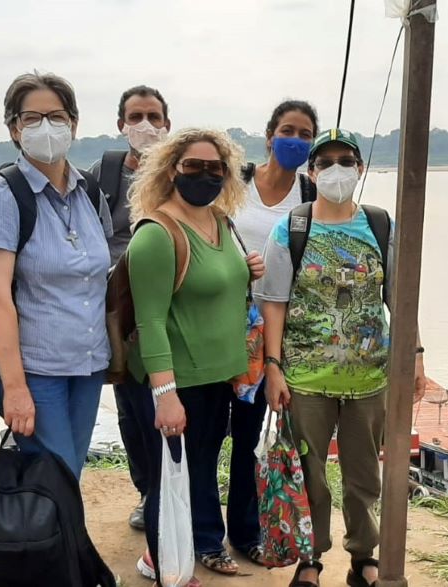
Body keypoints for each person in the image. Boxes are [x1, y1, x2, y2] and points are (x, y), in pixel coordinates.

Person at [257, 128, 427, 587]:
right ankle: (310, 559)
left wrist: (415, 354)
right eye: (326, 162)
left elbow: (399, 295)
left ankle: (363, 557)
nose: (337, 170)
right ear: (312, 173)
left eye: (346, 161)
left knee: (363, 476)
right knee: (310, 475)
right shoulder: (291, 227)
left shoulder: (378, 225)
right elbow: (272, 300)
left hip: (370, 378)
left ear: (360, 168)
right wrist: (272, 368)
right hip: (306, 377)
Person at [126, 128, 264, 583]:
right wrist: (165, 395)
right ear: (172, 170)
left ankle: (164, 554)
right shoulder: (156, 235)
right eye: (193, 167)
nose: (205, 176)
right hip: (179, 381)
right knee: (172, 478)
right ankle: (167, 566)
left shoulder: (220, 221)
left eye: (215, 169)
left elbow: (216, 284)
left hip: (219, 378)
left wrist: (248, 269)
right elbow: (150, 321)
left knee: (199, 470)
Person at [0, 72, 113, 479]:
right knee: (55, 474)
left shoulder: (90, 192)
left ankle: (61, 543)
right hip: (34, 370)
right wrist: (13, 388)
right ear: (14, 128)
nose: (46, 127)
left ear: (74, 124)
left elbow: (99, 275)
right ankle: (59, 544)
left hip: (87, 365)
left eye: (57, 116)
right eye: (32, 118)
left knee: (69, 473)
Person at [228, 99, 318, 565]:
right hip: (222, 323)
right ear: (269, 136)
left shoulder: (308, 192)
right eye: (288, 130)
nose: (295, 140)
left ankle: (244, 532)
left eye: (305, 134)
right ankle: (194, 528)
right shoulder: (235, 182)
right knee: (205, 431)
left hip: (273, 333)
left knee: (251, 434)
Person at [88, 84, 171, 532]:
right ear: (121, 125)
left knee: (177, 400)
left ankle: (179, 493)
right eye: (136, 117)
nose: (146, 125)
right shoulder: (103, 174)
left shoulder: (183, 171)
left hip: (174, 305)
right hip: (121, 309)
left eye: (154, 117)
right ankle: (147, 491)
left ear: (167, 124)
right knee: (131, 406)